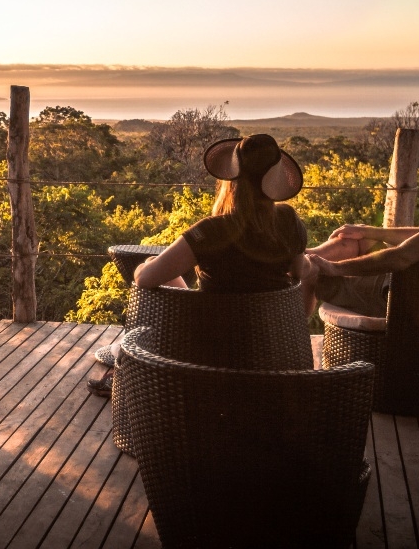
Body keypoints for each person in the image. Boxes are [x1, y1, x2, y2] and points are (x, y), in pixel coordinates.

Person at [87, 133, 308, 395]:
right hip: (270, 345)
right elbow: (300, 272)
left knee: (150, 270)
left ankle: (127, 369)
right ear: (274, 180)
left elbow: (145, 279)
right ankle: (122, 358)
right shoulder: (287, 220)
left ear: (232, 180)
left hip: (209, 349)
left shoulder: (212, 231)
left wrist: (141, 266)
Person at [303, 131, 419, 318]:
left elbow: (401, 257)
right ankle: (305, 255)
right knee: (356, 241)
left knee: (311, 274)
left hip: (409, 300)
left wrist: (334, 268)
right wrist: (367, 231)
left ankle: (294, 339)